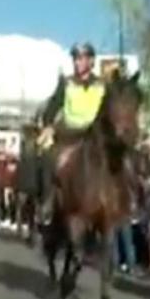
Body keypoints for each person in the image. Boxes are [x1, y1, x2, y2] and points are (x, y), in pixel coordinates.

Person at [35, 42, 106, 223]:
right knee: (48, 157)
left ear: (91, 61)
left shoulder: (102, 85)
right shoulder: (66, 83)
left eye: (81, 58)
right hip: (69, 134)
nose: (77, 63)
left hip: (94, 135)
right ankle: (47, 203)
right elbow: (52, 106)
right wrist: (49, 125)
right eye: (75, 59)